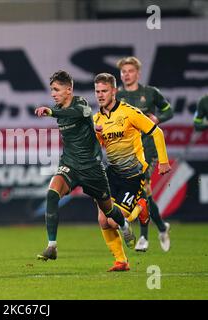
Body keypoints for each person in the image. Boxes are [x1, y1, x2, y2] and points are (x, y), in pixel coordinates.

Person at [34, 70, 137, 270]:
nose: (53, 94)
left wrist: (51, 112)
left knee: (109, 212)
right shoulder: (59, 109)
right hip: (70, 164)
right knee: (52, 193)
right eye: (52, 90)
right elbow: (82, 121)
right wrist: (92, 127)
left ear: (69, 90)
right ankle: (52, 246)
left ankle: (124, 226)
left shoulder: (80, 104)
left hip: (92, 169)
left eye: (57, 89)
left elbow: (78, 114)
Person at [93, 73, 171, 270]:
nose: (100, 95)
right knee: (103, 219)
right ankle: (121, 261)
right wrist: (96, 136)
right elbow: (101, 146)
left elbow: (157, 132)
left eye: (104, 91)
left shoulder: (130, 112)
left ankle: (141, 206)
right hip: (111, 173)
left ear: (114, 91)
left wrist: (163, 162)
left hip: (133, 175)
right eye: (97, 91)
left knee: (113, 221)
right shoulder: (97, 119)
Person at [116, 56, 173, 252]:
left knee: (143, 189)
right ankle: (162, 227)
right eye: (123, 71)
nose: (126, 74)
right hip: (127, 151)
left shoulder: (150, 93)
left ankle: (143, 238)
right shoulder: (117, 96)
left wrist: (158, 118)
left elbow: (168, 110)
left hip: (148, 149)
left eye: (130, 71)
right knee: (143, 194)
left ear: (138, 73)